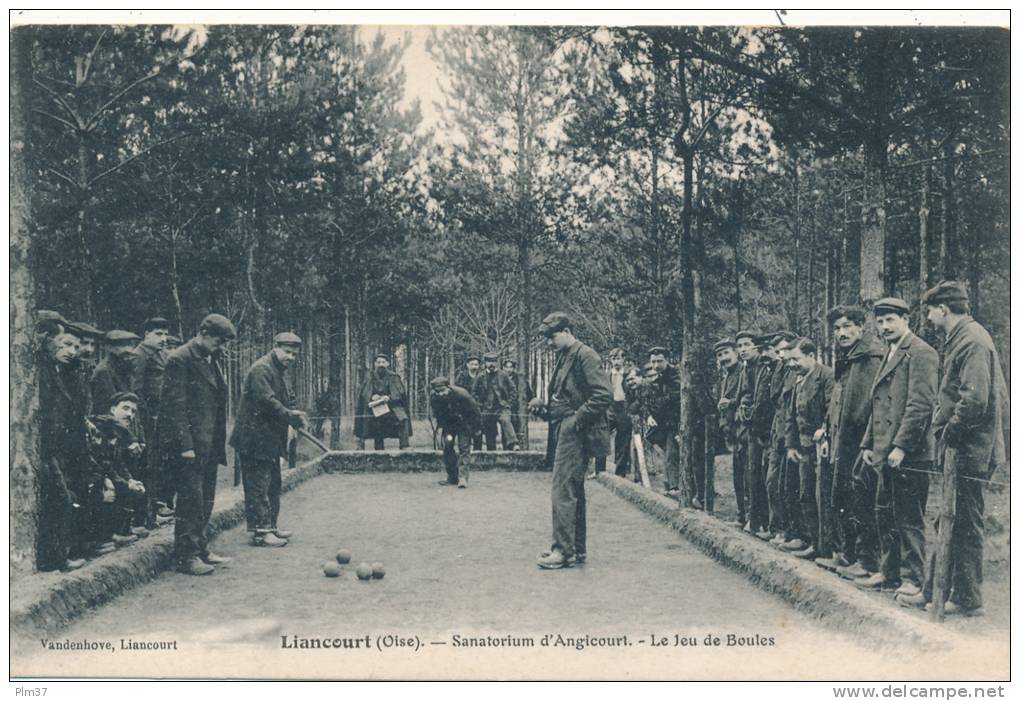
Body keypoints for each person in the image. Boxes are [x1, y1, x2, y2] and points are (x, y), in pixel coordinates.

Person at [898, 282, 1010, 615]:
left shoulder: (972, 340)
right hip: (965, 448)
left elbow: (975, 399)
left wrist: (949, 432)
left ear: (944, 309)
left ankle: (966, 598)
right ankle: (936, 591)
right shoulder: (963, 337)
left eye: (930, 311)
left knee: (962, 522)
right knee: (949, 520)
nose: (929, 318)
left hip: (969, 450)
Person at [857, 298, 937, 594]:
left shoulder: (921, 352)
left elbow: (920, 405)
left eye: (891, 320)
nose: (885, 327)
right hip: (884, 451)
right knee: (885, 513)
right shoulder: (889, 352)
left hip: (910, 452)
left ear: (906, 320)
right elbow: (877, 406)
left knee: (908, 517)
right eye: (880, 321)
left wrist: (902, 445)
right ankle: (888, 572)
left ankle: (913, 578)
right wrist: (868, 442)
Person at [529, 312, 612, 569]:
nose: (549, 343)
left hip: (576, 432)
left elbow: (603, 394)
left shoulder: (585, 355)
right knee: (572, 489)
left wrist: (575, 421)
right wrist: (544, 408)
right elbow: (565, 398)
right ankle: (575, 549)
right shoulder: (565, 355)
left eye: (552, 337)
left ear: (567, 331)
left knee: (563, 490)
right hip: (566, 428)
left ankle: (562, 551)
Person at [159, 313, 236, 576]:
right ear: (203, 333)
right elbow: (174, 407)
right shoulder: (179, 359)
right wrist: (185, 445)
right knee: (191, 500)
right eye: (218, 340)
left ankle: (201, 548)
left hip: (210, 444)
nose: (222, 346)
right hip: (190, 446)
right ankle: (186, 556)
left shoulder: (211, 358)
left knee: (206, 500)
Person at [821, 306, 885, 577]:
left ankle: (866, 560)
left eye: (848, 327)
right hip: (842, 440)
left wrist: (865, 442)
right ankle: (847, 554)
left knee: (862, 498)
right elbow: (838, 403)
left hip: (861, 442)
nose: (842, 333)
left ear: (861, 327)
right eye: (837, 329)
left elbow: (869, 406)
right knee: (843, 496)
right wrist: (827, 432)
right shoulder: (848, 358)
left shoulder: (870, 357)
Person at [230, 332, 307, 547]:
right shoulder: (262, 369)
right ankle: (261, 532)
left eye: (294, 354)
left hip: (269, 439)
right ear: (275, 347)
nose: (290, 357)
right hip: (253, 439)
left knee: (273, 484)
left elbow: (283, 401)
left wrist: (292, 414)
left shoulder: (278, 371)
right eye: (287, 352)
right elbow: (267, 401)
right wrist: (290, 416)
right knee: (258, 486)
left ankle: (270, 526)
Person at [37, 327, 90, 572]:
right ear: (47, 341)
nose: (72, 352)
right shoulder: (40, 372)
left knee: (66, 497)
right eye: (66, 344)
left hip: (61, 447)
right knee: (60, 498)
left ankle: (60, 554)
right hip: (46, 448)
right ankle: (53, 559)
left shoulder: (64, 371)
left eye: (76, 347)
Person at [783, 338, 834, 561]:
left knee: (823, 497)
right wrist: (791, 445)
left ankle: (827, 547)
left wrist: (824, 430)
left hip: (822, 448)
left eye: (795, 359)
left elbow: (832, 408)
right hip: (803, 448)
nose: (791, 364)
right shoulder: (798, 380)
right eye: (789, 360)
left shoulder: (827, 376)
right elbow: (792, 416)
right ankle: (814, 541)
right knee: (806, 495)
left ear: (811, 356)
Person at [85, 391, 149, 554]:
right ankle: (95, 541)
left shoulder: (118, 432)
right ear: (113, 409)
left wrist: (129, 481)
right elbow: (101, 464)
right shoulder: (101, 425)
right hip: (88, 476)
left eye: (133, 411)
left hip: (103, 473)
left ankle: (119, 531)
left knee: (132, 483)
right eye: (125, 408)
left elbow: (117, 463)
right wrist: (118, 482)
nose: (129, 414)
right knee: (108, 489)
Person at [132, 317, 171, 524]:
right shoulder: (140, 356)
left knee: (159, 465)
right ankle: (147, 516)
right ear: (146, 334)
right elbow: (136, 390)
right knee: (148, 465)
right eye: (158, 334)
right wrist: (148, 417)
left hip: (161, 418)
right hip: (148, 420)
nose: (163, 338)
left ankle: (156, 510)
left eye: (165, 334)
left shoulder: (160, 354)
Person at [765, 332, 798, 547]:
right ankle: (779, 529)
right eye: (778, 352)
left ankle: (789, 532)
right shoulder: (779, 370)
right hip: (777, 435)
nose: (782, 355)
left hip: (790, 437)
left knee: (788, 486)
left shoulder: (796, 371)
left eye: (785, 350)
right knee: (772, 483)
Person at [642, 347, 682, 497]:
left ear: (667, 360)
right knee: (667, 452)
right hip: (664, 421)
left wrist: (657, 406)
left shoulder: (675, 375)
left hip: (676, 421)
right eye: (653, 362)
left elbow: (673, 398)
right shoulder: (658, 377)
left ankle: (675, 488)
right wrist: (650, 415)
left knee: (672, 453)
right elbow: (649, 400)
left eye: (659, 361)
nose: (656, 365)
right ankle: (669, 485)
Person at [429, 377, 483, 488]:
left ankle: (463, 478)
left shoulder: (462, 395)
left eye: (443, 390)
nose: (441, 394)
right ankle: (452, 477)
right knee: (447, 447)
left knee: (464, 448)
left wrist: (477, 428)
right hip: (449, 425)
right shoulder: (434, 397)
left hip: (465, 423)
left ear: (448, 387)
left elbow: (475, 411)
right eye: (438, 391)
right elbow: (436, 413)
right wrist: (438, 428)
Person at [353, 354, 412, 450]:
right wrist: (372, 397)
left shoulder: (393, 377)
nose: (381, 364)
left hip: (392, 408)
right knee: (374, 423)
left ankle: (404, 446)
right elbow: (364, 393)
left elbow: (399, 393)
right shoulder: (370, 377)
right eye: (378, 362)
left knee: (403, 418)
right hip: (375, 408)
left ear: (388, 364)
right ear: (375, 364)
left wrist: (388, 397)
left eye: (383, 362)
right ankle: (374, 449)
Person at [731, 330, 759, 526]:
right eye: (740, 346)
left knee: (754, 475)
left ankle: (754, 519)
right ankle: (746, 517)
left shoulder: (760, 367)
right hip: (743, 429)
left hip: (756, 429)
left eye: (747, 345)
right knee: (742, 474)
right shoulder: (745, 369)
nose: (743, 349)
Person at [595, 348, 635, 477]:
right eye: (613, 359)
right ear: (610, 360)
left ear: (623, 359)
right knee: (601, 437)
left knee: (623, 442)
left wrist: (631, 409)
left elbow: (635, 395)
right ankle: (599, 470)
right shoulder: (606, 375)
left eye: (618, 358)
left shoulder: (629, 374)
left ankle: (620, 474)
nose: (616, 362)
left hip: (624, 409)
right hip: (610, 409)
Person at [474, 352, 519, 450]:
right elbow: (474, 392)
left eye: (493, 361)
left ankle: (513, 444)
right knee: (489, 433)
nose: (491, 364)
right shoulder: (480, 376)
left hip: (502, 407)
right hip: (487, 409)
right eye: (489, 361)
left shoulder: (503, 375)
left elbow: (513, 390)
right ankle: (490, 455)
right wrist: (479, 404)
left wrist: (509, 403)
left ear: (497, 363)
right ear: (485, 363)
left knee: (505, 420)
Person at [91, 330, 141, 418]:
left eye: (130, 345)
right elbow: (106, 408)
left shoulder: (123, 369)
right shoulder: (104, 371)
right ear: (109, 348)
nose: (128, 349)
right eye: (122, 345)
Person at [503, 358, 534, 445]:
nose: (509, 369)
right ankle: (506, 451)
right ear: (503, 368)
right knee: (505, 430)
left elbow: (529, 393)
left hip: (517, 409)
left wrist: (529, 403)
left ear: (513, 368)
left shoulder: (520, 379)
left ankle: (517, 449)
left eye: (511, 367)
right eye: (507, 367)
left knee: (518, 430)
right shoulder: (501, 378)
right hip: (505, 408)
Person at [456, 355, 484, 450]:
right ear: (467, 365)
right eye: (472, 364)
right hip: (465, 410)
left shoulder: (482, 377)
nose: (474, 366)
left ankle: (478, 455)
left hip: (478, 409)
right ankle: (464, 454)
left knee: (478, 433)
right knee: (465, 432)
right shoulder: (461, 376)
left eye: (476, 364)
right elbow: (457, 391)